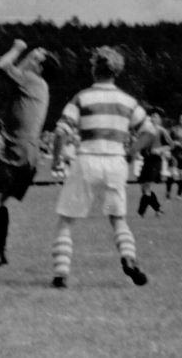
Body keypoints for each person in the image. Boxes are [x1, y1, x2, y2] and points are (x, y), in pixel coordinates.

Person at [49, 46, 152, 289]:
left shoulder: (83, 97)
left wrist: (55, 159)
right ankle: (128, 258)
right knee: (117, 217)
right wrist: (130, 151)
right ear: (117, 71)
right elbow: (149, 132)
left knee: (67, 220)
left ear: (94, 68)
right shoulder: (127, 101)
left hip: (87, 162)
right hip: (115, 164)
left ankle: (61, 273)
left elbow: (60, 132)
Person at [0, 39, 60, 268]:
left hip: (17, 150)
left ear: (39, 68)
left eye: (35, 57)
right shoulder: (36, 83)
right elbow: (16, 70)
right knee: (0, 201)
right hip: (30, 154)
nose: (30, 56)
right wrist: (29, 57)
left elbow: (2, 66)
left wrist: (16, 49)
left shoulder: (31, 80)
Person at [136, 110, 171, 217]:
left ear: (160, 120)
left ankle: (141, 211)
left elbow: (170, 145)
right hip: (146, 160)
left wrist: (160, 150)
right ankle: (158, 209)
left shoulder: (162, 131)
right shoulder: (146, 130)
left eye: (156, 117)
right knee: (143, 186)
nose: (153, 118)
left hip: (155, 161)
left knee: (146, 186)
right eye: (152, 116)